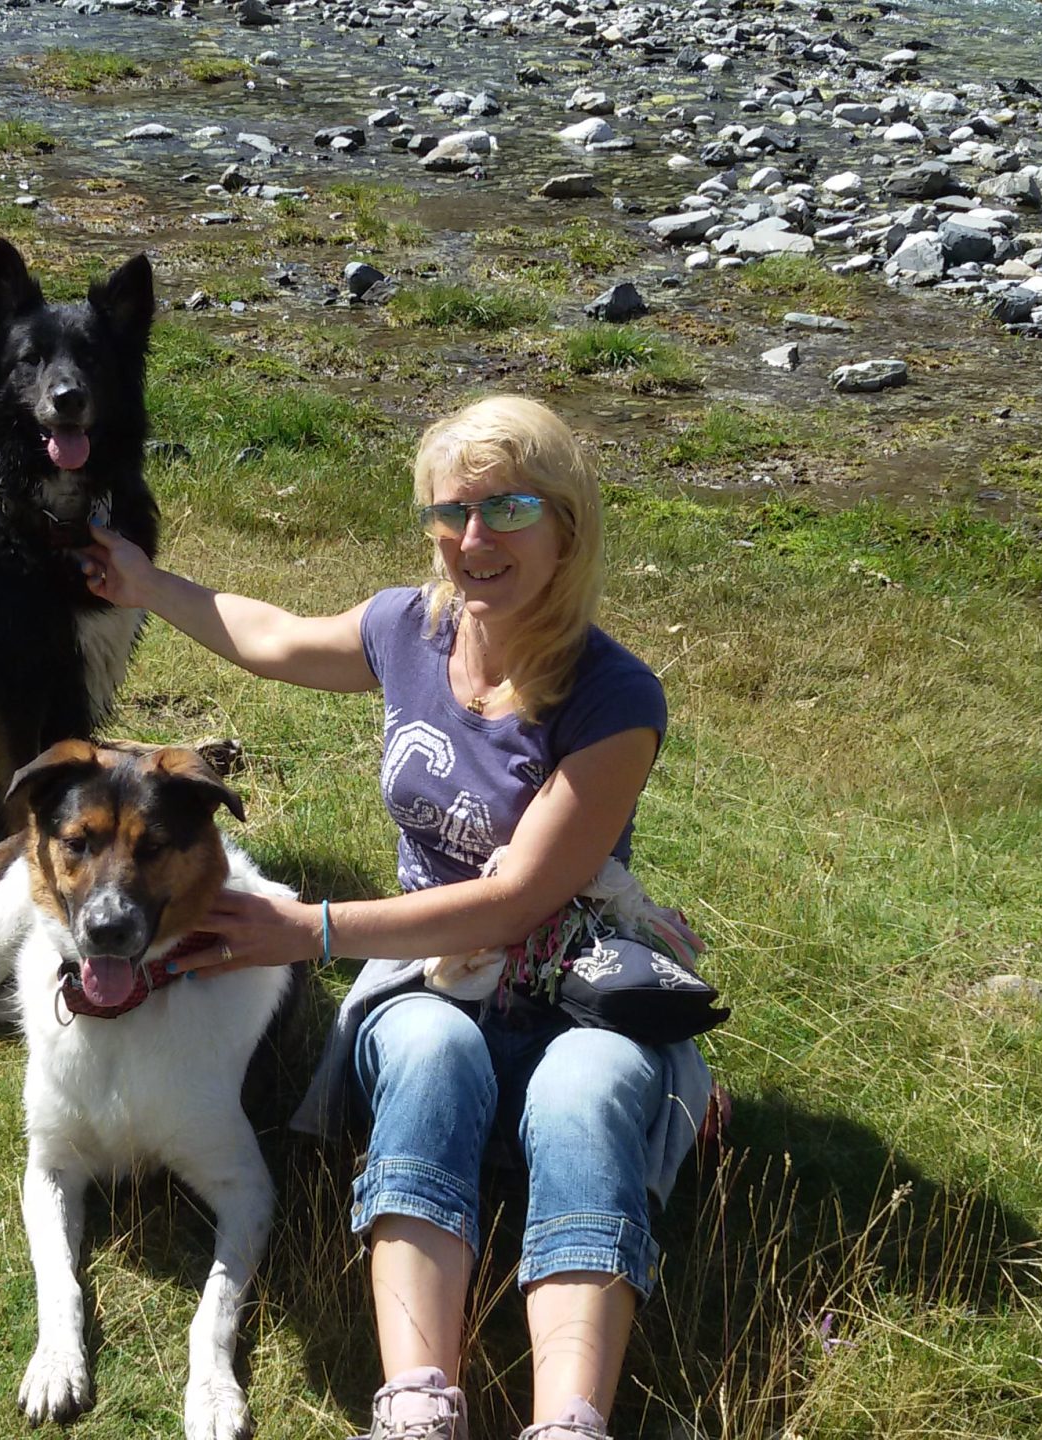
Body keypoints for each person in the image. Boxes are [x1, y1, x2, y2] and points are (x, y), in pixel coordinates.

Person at [78, 395, 714, 1440]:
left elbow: (520, 899)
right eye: (449, 511)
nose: (475, 540)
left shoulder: (614, 698)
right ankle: (417, 1406)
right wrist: (147, 584)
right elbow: (272, 637)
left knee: (587, 1093)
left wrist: (311, 931)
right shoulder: (408, 630)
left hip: (568, 982)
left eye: (509, 508)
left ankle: (569, 1423)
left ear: (567, 524)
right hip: (428, 974)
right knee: (426, 1058)